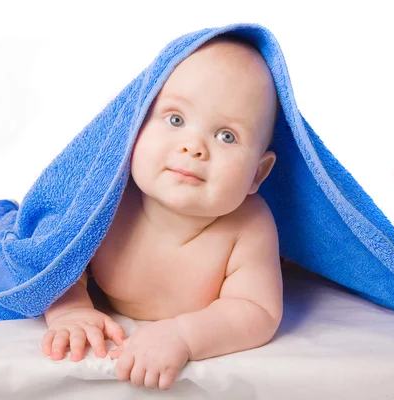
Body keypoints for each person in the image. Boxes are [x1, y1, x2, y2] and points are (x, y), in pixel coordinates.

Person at [41, 34, 283, 390]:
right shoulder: (108, 201)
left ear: (257, 174)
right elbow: (58, 254)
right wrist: (72, 308)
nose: (193, 146)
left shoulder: (248, 226)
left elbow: (257, 310)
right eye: (175, 119)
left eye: (227, 136)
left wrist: (183, 335)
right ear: (135, 125)